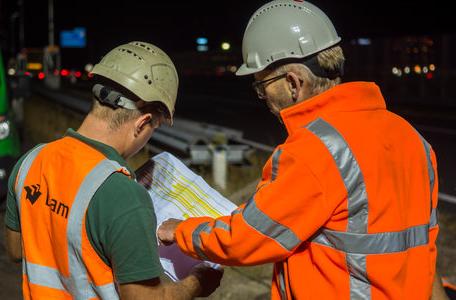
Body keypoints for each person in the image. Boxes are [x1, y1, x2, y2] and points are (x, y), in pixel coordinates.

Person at [158, 1, 443, 299]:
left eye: (262, 85)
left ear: (293, 82)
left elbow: (245, 239)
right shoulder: (411, 137)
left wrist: (180, 230)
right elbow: (426, 246)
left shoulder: (314, 150)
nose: (263, 97)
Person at [4, 41, 222, 300]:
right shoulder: (124, 196)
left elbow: (16, 250)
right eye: (153, 129)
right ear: (142, 123)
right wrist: (197, 282)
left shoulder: (30, 161)